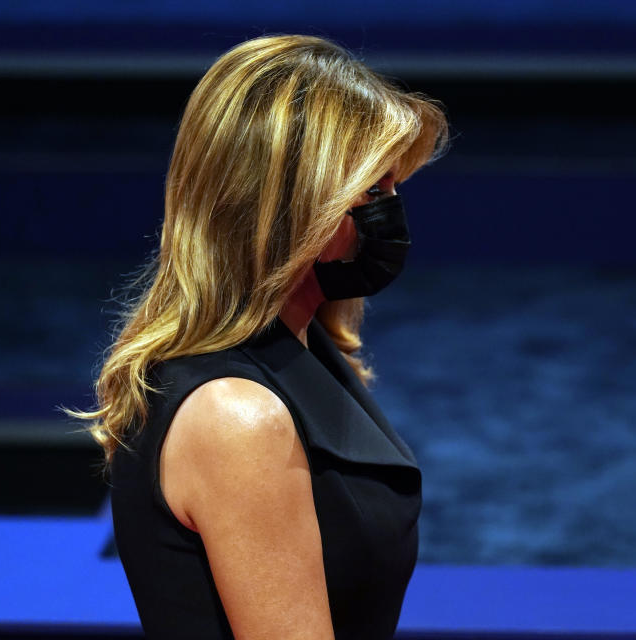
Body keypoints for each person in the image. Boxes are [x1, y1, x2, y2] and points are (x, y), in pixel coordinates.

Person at [66, 34, 448, 639]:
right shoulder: (236, 415)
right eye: (372, 192)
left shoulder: (303, 345)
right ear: (293, 208)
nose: (392, 216)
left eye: (394, 189)